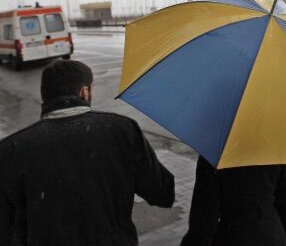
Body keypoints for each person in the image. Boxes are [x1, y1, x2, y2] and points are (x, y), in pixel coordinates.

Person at [0, 60, 175, 246]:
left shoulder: (11, 149)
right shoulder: (122, 130)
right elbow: (162, 193)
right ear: (84, 92)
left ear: (45, 95)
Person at [180, 157, 286, 246]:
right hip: (273, 235)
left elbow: (204, 222)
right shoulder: (270, 151)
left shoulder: (215, 156)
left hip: (234, 237)